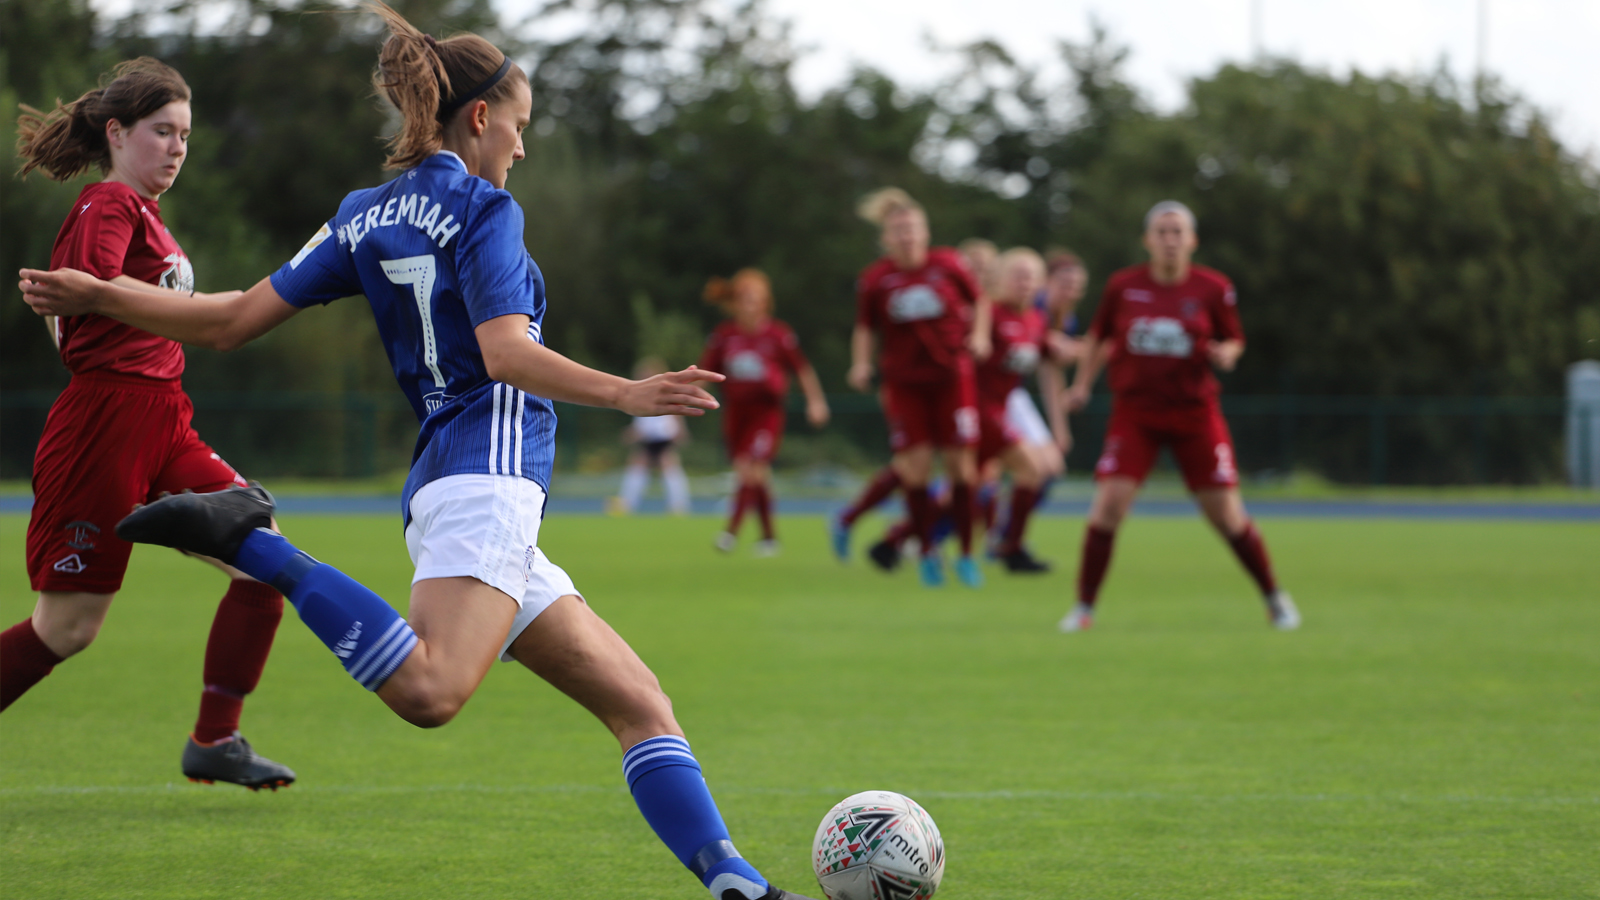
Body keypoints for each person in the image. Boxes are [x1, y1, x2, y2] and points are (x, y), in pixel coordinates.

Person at [20, 6, 819, 898]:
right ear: (480, 118)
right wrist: (629, 392)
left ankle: (737, 884)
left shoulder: (364, 214)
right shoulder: (487, 209)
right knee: (432, 693)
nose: (522, 147)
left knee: (640, 705)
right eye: (519, 126)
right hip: (488, 479)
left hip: (457, 487)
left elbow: (231, 320)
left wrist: (105, 294)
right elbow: (508, 353)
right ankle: (253, 542)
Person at [2, 57, 294, 790]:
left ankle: (215, 741)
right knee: (66, 629)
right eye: (161, 131)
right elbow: (88, 293)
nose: (176, 148)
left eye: (185, 136)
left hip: (164, 421)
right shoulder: (105, 203)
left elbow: (84, 301)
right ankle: (214, 738)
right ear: (117, 131)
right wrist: (215, 308)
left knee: (265, 563)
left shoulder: (143, 216)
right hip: (105, 426)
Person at [1058, 201, 1299, 632]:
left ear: (1192, 241)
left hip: (1195, 414)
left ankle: (1273, 597)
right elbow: (1098, 337)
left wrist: (1228, 353)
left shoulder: (1213, 287)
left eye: (1178, 232)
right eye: (1161, 232)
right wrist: (1080, 385)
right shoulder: (1123, 286)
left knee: (1226, 515)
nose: (1170, 240)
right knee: (1109, 506)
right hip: (1136, 413)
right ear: (1147, 240)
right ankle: (1083, 609)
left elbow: (1235, 338)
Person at [843, 188, 987, 588]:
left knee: (962, 468)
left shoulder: (949, 264)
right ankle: (926, 552)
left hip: (952, 379)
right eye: (898, 230)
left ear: (925, 232)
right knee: (917, 470)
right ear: (886, 238)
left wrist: (980, 335)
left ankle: (967, 554)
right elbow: (865, 327)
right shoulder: (876, 279)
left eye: (912, 228)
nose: (906, 235)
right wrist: (860, 364)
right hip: (905, 384)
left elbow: (981, 302)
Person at [698, 269, 829, 556]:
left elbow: (802, 370)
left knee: (750, 467)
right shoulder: (725, 336)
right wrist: (680, 394)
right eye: (744, 299)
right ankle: (769, 538)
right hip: (736, 412)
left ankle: (730, 533)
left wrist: (815, 401)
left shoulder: (779, 335)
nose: (750, 305)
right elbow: (706, 371)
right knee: (756, 475)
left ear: (765, 302)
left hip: (766, 414)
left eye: (755, 299)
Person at [973, 248, 1057, 573]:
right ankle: (1011, 549)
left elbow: (1049, 349)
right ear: (1000, 279)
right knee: (1031, 470)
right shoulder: (989, 313)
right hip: (979, 410)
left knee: (968, 484)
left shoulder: (1036, 318)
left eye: (1032, 276)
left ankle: (897, 539)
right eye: (1018, 275)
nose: (1025, 283)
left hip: (1000, 410)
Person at [613, 357, 692, 517]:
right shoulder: (637, 394)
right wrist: (633, 432)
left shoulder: (664, 392)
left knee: (668, 464)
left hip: (663, 435)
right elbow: (640, 420)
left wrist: (681, 431)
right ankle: (627, 503)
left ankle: (679, 505)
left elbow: (676, 413)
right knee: (638, 464)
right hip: (648, 437)